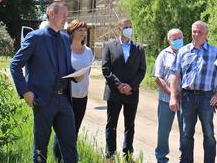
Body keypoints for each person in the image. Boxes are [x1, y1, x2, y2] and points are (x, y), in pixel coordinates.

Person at [10, 1, 80, 163]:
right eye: (63, 15)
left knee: (70, 146)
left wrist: (76, 75)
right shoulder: (35, 38)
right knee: (41, 147)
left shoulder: (64, 39)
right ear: (51, 14)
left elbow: (65, 68)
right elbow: (15, 64)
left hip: (64, 100)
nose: (66, 19)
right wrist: (25, 92)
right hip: (43, 101)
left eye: (67, 16)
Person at [169, 21, 217, 163]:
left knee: (209, 134)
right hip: (187, 97)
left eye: (200, 32)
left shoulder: (214, 52)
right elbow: (175, 74)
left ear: (206, 34)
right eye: (194, 31)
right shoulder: (183, 51)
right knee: (186, 134)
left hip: (207, 97)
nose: (196, 35)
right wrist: (173, 96)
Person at [101, 18, 147, 160]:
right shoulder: (109, 46)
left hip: (131, 93)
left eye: (130, 26)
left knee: (129, 125)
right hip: (114, 92)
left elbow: (142, 70)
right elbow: (105, 68)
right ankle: (110, 153)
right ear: (118, 29)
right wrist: (119, 85)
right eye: (126, 26)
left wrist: (130, 86)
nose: (129, 29)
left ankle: (128, 153)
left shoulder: (139, 49)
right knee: (111, 124)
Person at [53, 19, 95, 159]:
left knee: (74, 131)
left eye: (85, 30)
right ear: (72, 31)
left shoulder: (88, 51)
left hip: (82, 96)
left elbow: (87, 72)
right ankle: (57, 158)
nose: (84, 33)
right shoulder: (65, 49)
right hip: (65, 95)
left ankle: (69, 158)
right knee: (62, 131)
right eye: (80, 30)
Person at [153, 28, 185, 163]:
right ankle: (161, 158)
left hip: (185, 100)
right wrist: (172, 93)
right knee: (163, 131)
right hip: (166, 100)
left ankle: (185, 157)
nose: (178, 41)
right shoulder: (163, 54)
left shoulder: (188, 52)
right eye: (174, 38)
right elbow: (157, 77)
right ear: (169, 40)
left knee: (186, 132)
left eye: (180, 38)